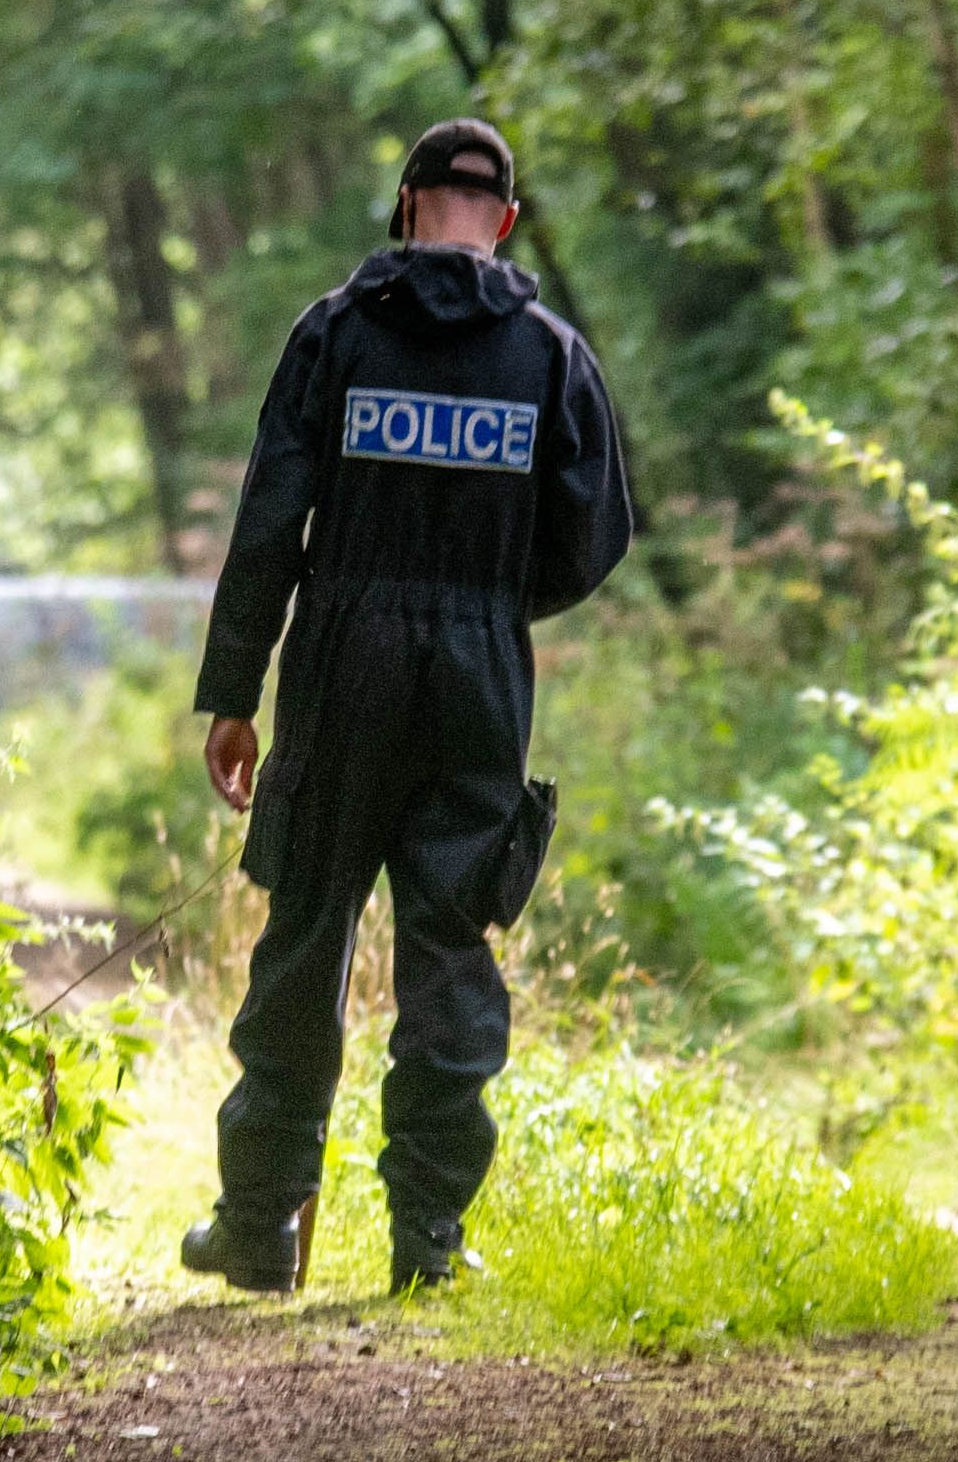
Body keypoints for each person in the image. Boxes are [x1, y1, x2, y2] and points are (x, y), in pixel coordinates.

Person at [179, 120, 639, 1297]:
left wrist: (234, 691)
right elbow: (596, 538)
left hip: (340, 662)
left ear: (405, 204)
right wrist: (492, 598)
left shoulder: (332, 334)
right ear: (506, 222)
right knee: (449, 943)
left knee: (306, 933)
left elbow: (269, 521)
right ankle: (427, 1236)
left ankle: (260, 1224)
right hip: (479, 670)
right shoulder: (549, 359)